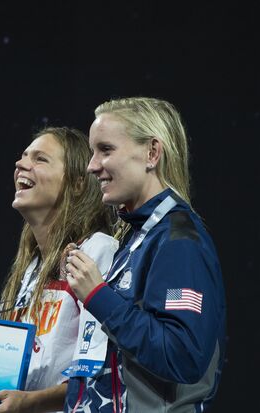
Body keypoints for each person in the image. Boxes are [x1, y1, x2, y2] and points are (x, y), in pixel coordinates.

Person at [0, 127, 119, 413]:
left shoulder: (97, 250)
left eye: (40, 159)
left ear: (79, 184)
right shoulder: (32, 268)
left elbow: (98, 375)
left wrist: (28, 403)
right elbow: (17, 380)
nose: (21, 164)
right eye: (22, 156)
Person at [63, 97, 226, 412]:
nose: (92, 165)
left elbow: (183, 356)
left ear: (152, 153)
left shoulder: (179, 241)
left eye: (106, 150)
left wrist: (98, 295)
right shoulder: (138, 236)